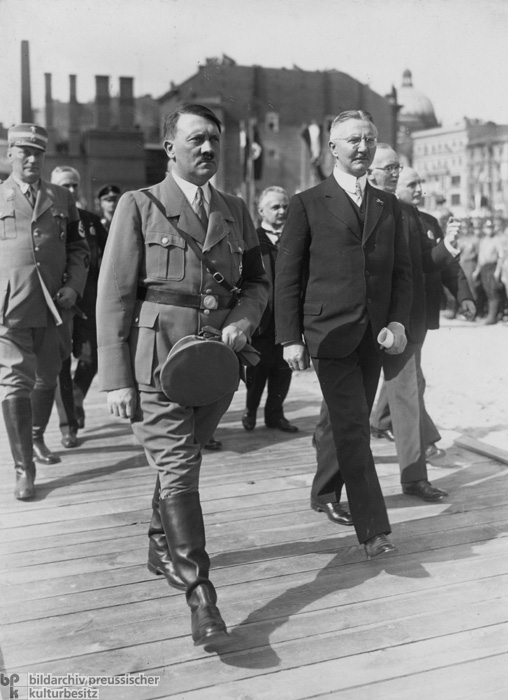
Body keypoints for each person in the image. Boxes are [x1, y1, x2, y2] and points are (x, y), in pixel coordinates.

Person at [96, 104, 269, 646]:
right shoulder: (140, 206)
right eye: (196, 139)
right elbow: (115, 296)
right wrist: (116, 379)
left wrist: (242, 322)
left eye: (214, 139)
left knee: (183, 459)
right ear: (169, 147)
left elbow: (258, 283)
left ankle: (157, 538)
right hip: (156, 364)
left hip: (216, 364)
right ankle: (202, 597)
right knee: (179, 469)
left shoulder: (237, 209)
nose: (207, 148)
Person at [275, 111, 413, 560]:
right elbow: (288, 277)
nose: (362, 147)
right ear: (332, 148)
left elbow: (403, 274)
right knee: (354, 426)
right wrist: (289, 337)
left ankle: (323, 490)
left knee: (343, 420)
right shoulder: (307, 202)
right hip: (328, 333)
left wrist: (397, 323)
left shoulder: (389, 206)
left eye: (369, 140)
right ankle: (374, 530)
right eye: (352, 140)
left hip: (375, 336)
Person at [369, 162, 474, 489]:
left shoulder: (425, 221)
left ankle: (410, 467)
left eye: (417, 182)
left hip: (414, 317)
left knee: (407, 385)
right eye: (410, 183)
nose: (417, 188)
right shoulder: (380, 213)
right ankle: (348, 437)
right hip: (374, 317)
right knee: (402, 384)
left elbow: (441, 266)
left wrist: (463, 294)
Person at [0, 124, 89, 499]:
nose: (32, 159)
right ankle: (24, 468)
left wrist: (73, 285)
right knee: (14, 380)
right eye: (23, 151)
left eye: (38, 152)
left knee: (48, 377)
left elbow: (79, 249)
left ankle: (36, 438)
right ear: (10, 154)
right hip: (11, 309)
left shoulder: (60, 198)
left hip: (55, 306)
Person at [51, 166, 108, 445]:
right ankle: (67, 427)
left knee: (90, 359)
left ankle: (74, 397)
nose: (71, 191)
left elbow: (108, 261)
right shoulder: (47, 220)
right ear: (52, 188)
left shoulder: (93, 221)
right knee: (61, 363)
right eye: (65, 185)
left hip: (89, 303)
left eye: (74, 185)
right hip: (60, 303)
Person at [242, 186, 298, 433]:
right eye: (276, 207)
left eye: (285, 206)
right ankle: (250, 411)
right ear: (261, 210)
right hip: (261, 320)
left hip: (287, 319)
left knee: (283, 371)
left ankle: (275, 415)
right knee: (257, 370)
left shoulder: (296, 239)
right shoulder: (252, 240)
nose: (282, 211)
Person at [473, 219, 505, 325]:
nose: (489, 230)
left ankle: (493, 317)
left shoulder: (496, 240)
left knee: (493, 292)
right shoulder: (483, 240)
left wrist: (498, 270)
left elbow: (501, 256)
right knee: (486, 291)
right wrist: (477, 270)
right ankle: (487, 314)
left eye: (491, 228)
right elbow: (480, 257)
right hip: (483, 268)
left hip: (492, 267)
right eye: (487, 228)